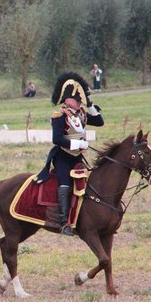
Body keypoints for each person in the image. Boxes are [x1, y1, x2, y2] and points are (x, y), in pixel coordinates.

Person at [34, 72, 104, 236]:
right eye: (78, 100)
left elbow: (100, 122)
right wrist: (78, 143)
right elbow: (56, 139)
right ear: (68, 99)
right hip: (62, 157)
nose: (81, 102)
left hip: (77, 157)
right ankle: (64, 222)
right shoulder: (59, 116)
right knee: (65, 184)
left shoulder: (81, 114)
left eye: (82, 100)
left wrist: (91, 103)